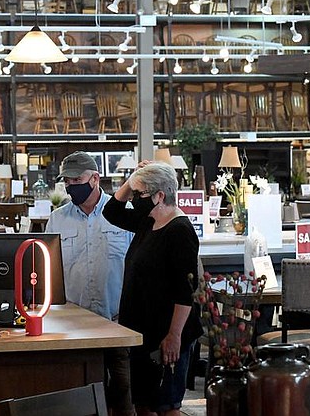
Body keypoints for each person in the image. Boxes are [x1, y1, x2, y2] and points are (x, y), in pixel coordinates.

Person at [103, 161, 201, 416]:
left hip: (165, 333)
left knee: (166, 406)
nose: (135, 199)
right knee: (143, 404)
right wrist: (133, 179)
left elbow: (185, 290)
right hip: (141, 330)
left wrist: (174, 336)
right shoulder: (148, 221)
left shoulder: (179, 230)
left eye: (140, 194)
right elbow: (112, 211)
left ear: (160, 196)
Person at [46, 151, 135, 416]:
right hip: (74, 329)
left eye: (77, 180)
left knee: (125, 395)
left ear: (95, 178)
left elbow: (136, 268)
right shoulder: (57, 219)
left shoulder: (124, 217)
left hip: (117, 323)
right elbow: (49, 270)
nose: (72, 186)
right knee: (80, 400)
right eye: (67, 181)